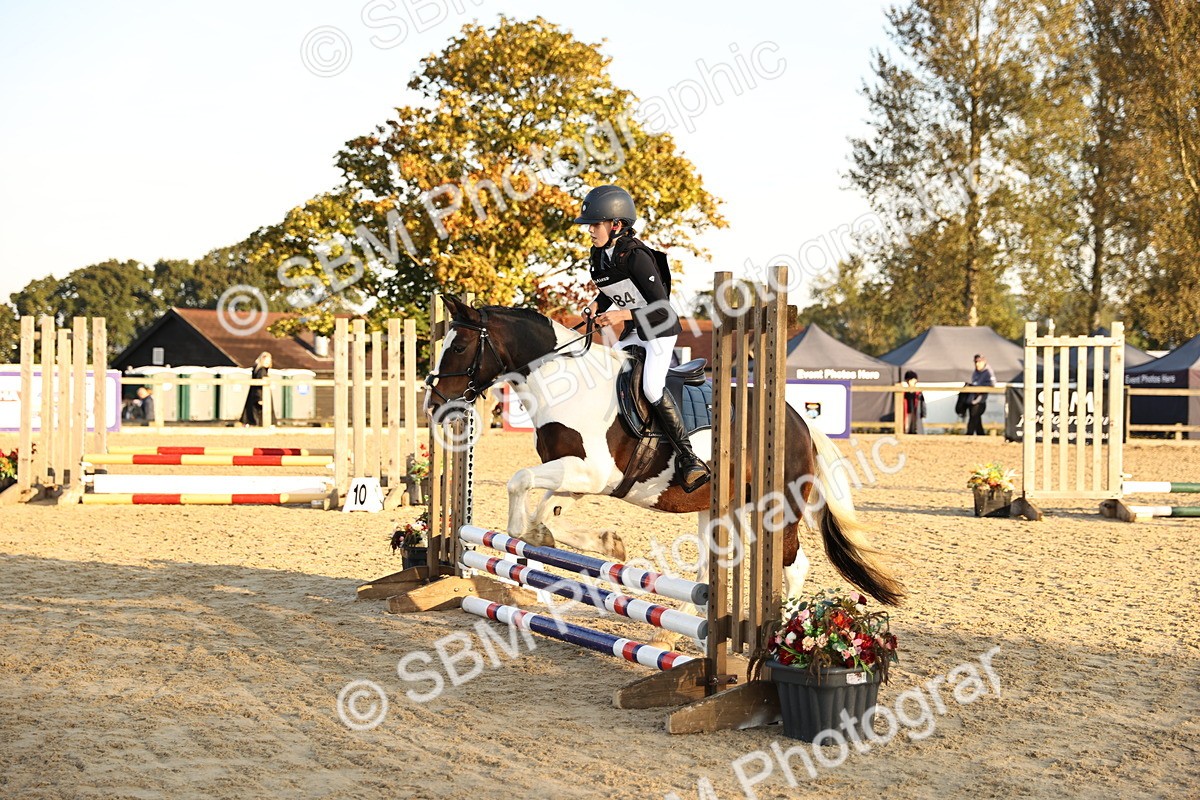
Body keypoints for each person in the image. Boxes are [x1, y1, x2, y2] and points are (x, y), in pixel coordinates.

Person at [575, 185, 710, 493]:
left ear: (616, 225)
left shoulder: (637, 256)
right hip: (635, 330)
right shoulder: (600, 255)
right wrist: (595, 307)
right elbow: (609, 290)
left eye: (595, 224)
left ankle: (689, 458)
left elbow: (662, 308)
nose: (590, 231)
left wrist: (621, 316)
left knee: (650, 386)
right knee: (607, 373)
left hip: (660, 330)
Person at [966, 353, 996, 436]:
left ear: (984, 362)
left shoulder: (988, 372)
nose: (977, 364)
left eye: (979, 362)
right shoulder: (976, 372)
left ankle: (969, 433)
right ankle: (981, 434)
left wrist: (981, 389)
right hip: (973, 398)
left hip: (980, 400)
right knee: (976, 417)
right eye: (976, 362)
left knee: (974, 416)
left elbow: (992, 384)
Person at [239, 352, 272, 426]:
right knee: (257, 415)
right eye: (266, 361)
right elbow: (259, 386)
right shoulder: (262, 371)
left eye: (269, 361)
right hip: (258, 396)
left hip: (254, 395)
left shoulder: (256, 370)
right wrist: (260, 398)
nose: (268, 363)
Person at [902, 370, 925, 435]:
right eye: (908, 380)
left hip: (916, 412)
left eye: (911, 380)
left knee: (916, 425)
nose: (909, 382)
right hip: (907, 412)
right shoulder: (903, 392)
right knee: (907, 426)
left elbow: (922, 403)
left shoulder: (918, 392)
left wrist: (923, 413)